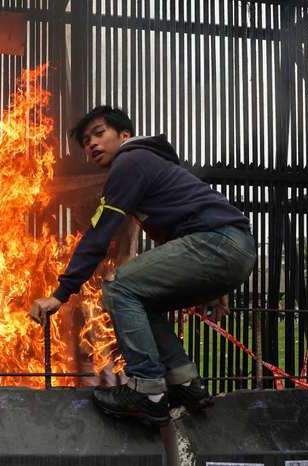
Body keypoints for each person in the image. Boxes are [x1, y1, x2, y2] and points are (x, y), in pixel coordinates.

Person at [29, 106, 256, 426]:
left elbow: (99, 232)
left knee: (119, 285)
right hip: (229, 248)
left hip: (217, 243)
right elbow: (182, 229)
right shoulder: (149, 164)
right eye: (85, 141)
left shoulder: (129, 161)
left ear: (124, 136)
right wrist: (217, 284)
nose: (91, 144)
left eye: (99, 133)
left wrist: (61, 294)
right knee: (142, 298)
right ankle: (184, 382)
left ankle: (147, 389)